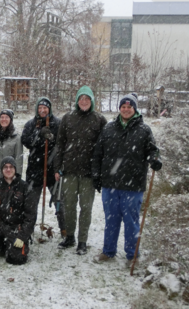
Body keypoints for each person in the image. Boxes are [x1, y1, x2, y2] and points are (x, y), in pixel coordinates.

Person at [91, 93, 162, 266]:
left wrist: (154, 159)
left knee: (131, 221)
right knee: (111, 220)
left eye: (129, 107)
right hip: (111, 183)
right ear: (119, 108)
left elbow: (153, 149)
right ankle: (108, 251)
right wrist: (96, 175)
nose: (126, 109)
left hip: (133, 184)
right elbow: (98, 154)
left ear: (135, 109)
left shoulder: (144, 130)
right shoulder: (109, 128)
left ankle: (132, 255)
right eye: (123, 107)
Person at [53, 86, 107, 254]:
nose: (84, 102)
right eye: (81, 99)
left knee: (86, 207)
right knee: (69, 206)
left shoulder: (99, 120)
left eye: (87, 99)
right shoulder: (68, 119)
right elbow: (60, 144)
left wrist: (100, 171)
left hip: (88, 174)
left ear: (92, 101)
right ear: (77, 101)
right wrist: (57, 167)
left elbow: (104, 148)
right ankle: (69, 236)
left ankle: (82, 240)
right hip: (69, 171)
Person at [0, 156, 39, 265]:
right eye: (5, 167)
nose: (8, 170)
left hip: (16, 226)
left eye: (11, 167)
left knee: (16, 259)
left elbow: (31, 216)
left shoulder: (24, 187)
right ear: (2, 170)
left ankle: (11, 245)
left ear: (15, 169)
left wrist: (22, 237)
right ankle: (1, 243)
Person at [21, 97, 62, 232]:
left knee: (60, 200)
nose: (42, 110)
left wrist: (50, 138)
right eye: (40, 108)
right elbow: (26, 141)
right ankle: (28, 229)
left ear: (49, 109)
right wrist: (39, 134)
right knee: (30, 203)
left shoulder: (57, 123)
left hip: (53, 168)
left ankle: (65, 230)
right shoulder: (30, 124)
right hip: (35, 169)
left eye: (45, 108)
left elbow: (60, 143)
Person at [0, 109, 23, 183]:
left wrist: (17, 174)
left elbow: (19, 158)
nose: (4, 119)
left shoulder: (16, 138)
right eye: (2, 117)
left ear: (11, 120)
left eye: (6, 117)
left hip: (9, 175)